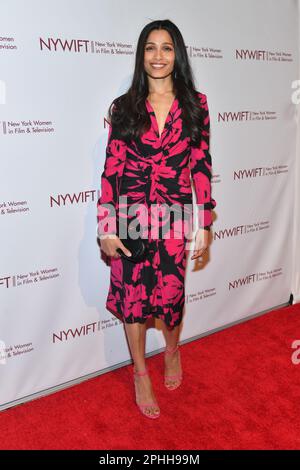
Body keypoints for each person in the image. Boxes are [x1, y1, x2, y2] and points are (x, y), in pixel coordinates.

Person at [97, 19, 216, 419]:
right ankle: (140, 373)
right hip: (130, 215)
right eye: (150, 47)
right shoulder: (124, 107)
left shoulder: (196, 104)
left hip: (176, 212)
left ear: (176, 54)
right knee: (133, 301)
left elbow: (201, 165)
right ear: (141, 54)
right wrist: (106, 224)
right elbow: (111, 170)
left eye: (167, 48)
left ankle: (172, 350)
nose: (158, 56)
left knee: (170, 298)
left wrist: (205, 220)